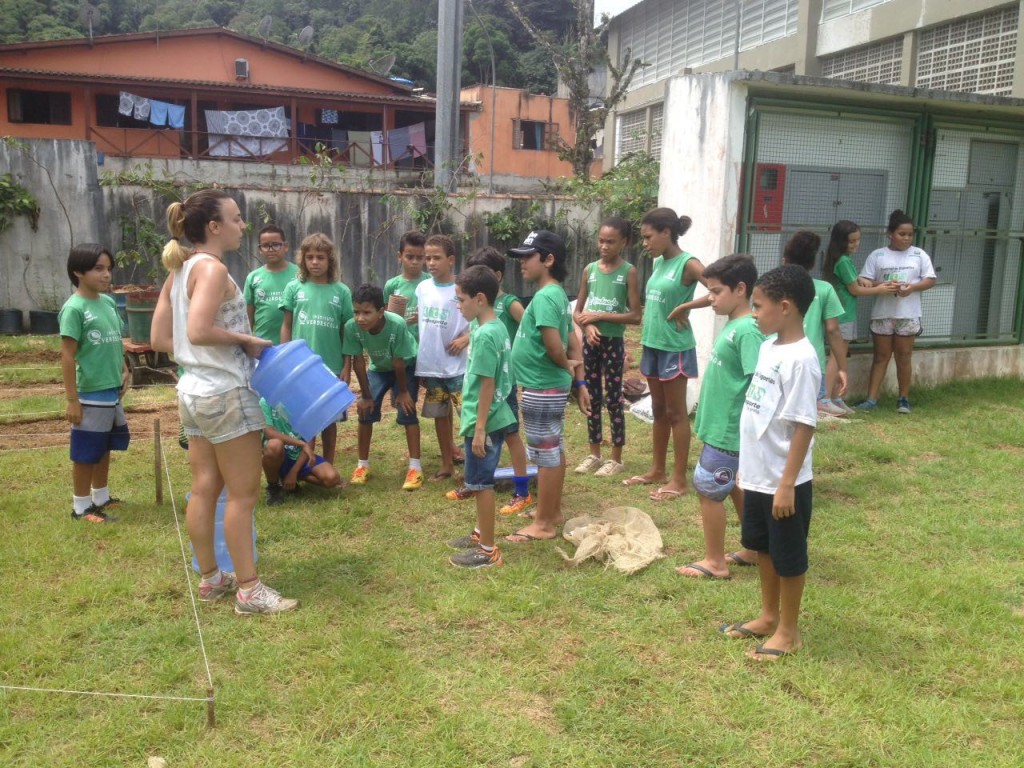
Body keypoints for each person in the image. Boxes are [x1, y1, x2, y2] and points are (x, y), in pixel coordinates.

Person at [151, 189, 297, 615]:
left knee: (205, 487)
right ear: (213, 227)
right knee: (242, 495)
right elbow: (197, 331)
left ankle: (212, 578)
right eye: (235, 218)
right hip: (226, 393)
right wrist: (246, 340)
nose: (242, 225)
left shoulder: (180, 270)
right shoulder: (211, 270)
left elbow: (161, 338)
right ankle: (249, 590)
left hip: (193, 392)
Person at [719, 264, 819, 660]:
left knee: (788, 556)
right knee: (761, 547)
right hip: (758, 475)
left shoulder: (801, 359)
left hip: (783, 481)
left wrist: (786, 483)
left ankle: (789, 631)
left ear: (786, 306)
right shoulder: (767, 346)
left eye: (758, 306)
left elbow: (804, 425)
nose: (754, 313)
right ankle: (767, 616)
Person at [673, 255, 764, 580]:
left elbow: (758, 382)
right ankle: (754, 547)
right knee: (736, 488)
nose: (710, 298)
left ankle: (715, 562)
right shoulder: (735, 325)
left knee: (709, 489)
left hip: (730, 430)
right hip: (722, 428)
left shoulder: (748, 330)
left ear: (741, 289)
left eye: (716, 292)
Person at [504, 230, 590, 543]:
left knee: (545, 452)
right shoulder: (554, 296)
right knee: (551, 449)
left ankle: (543, 524)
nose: (521, 263)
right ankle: (550, 511)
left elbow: (558, 346)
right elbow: (571, 340)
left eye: (528, 257)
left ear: (549, 260)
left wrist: (565, 367)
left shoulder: (545, 297)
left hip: (543, 386)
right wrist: (578, 381)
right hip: (545, 385)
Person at [623, 208, 704, 501]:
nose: (645, 243)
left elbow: (721, 289)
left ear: (666, 233)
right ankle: (657, 470)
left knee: (676, 413)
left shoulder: (688, 263)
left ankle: (679, 480)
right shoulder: (659, 264)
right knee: (658, 410)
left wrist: (686, 307)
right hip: (653, 345)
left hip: (676, 348)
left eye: (648, 237)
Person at [445, 246, 532, 517]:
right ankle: (476, 482)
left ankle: (521, 489)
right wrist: (465, 338)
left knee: (509, 436)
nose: (459, 304)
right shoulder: (482, 319)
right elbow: (482, 331)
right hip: (487, 380)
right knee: (489, 442)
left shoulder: (509, 305)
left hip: (498, 385)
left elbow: (530, 327)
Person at [446, 266, 519, 568]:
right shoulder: (492, 325)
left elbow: (487, 384)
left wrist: (478, 430)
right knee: (479, 481)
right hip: (492, 416)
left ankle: (489, 551)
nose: (458, 306)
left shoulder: (487, 334)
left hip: (484, 421)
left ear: (479, 299)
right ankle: (481, 533)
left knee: (480, 483)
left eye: (460, 300)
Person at [59, 243, 130, 523]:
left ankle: (101, 496)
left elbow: (115, 341)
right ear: (78, 272)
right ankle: (81, 507)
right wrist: (72, 399)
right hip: (90, 392)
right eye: (98, 268)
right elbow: (66, 356)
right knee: (87, 450)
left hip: (112, 390)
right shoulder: (74, 309)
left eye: (109, 268)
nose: (106, 275)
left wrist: (124, 368)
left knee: (104, 445)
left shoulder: (109, 303)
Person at [573, 216, 642, 478]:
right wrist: (588, 327)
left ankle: (616, 457)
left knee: (613, 398)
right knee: (591, 396)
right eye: (601, 241)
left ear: (623, 242)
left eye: (610, 242)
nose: (604, 246)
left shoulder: (629, 272)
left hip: (613, 343)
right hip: (591, 344)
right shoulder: (589, 270)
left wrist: (600, 318)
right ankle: (594, 453)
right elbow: (578, 311)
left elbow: (635, 315)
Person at [279, 233, 353, 464]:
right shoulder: (294, 288)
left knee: (329, 419)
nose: (315, 262)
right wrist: (284, 359)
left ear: (329, 260)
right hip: (300, 366)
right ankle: (305, 465)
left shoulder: (341, 291)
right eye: (309, 257)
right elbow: (287, 325)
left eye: (320, 257)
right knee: (303, 418)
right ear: (303, 260)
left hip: (330, 366)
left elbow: (346, 331)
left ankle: (328, 463)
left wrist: (346, 365)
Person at [342, 283, 423, 490]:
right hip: (378, 368)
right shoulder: (352, 327)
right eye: (356, 312)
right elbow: (358, 361)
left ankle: (415, 467)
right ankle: (362, 465)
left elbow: (399, 361)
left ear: (381, 311)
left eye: (366, 312)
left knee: (408, 410)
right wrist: (366, 395)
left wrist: (403, 392)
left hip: (405, 365)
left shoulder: (397, 324)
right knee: (364, 411)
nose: (360, 318)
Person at [856, 209, 937, 414]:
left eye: (910, 234)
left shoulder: (919, 254)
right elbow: (864, 280)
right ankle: (871, 399)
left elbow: (930, 279)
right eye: (902, 234)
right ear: (890, 234)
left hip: (908, 314)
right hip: (883, 314)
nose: (906, 238)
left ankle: (903, 399)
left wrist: (912, 288)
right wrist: (881, 285)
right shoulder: (877, 255)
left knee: (904, 356)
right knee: (881, 356)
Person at [415, 234, 469, 481]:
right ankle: (447, 463)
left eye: (437, 258)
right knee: (439, 415)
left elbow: (479, 318)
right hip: (432, 366)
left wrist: (466, 338)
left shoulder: (462, 289)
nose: (431, 263)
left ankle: (474, 463)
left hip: (458, 367)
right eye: (428, 258)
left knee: (466, 414)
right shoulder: (422, 288)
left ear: (451, 260)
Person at [781, 231, 849, 418]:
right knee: (807, 413)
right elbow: (833, 330)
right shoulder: (824, 289)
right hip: (812, 363)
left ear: (784, 260)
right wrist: (842, 367)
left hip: (777, 359)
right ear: (812, 263)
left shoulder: (771, 287)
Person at [243, 224, 298, 345]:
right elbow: (248, 319)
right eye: (266, 246)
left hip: (294, 345)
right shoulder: (253, 278)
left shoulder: (300, 274)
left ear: (285, 246)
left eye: (276, 245)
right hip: (263, 347)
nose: (271, 249)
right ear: (259, 249)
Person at [383, 230, 428, 340]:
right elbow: (385, 317)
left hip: (424, 345)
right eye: (410, 257)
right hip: (400, 344)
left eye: (419, 257)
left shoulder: (431, 282)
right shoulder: (391, 285)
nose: (414, 262)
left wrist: (423, 317)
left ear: (425, 258)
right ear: (400, 256)